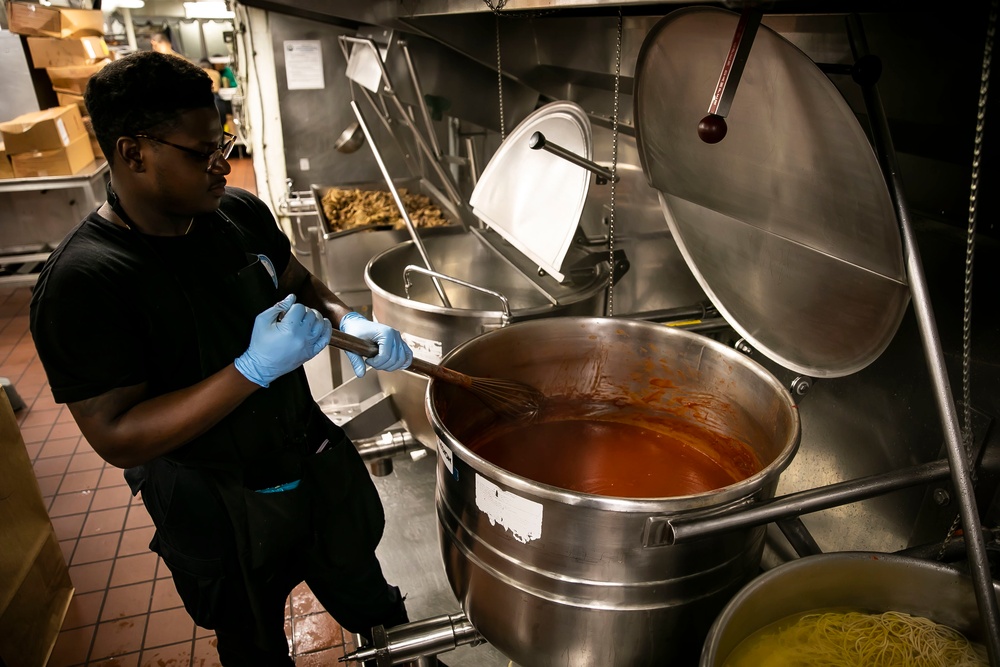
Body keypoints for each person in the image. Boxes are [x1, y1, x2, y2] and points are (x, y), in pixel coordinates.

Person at [29, 51, 415, 664]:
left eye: (224, 142)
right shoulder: (85, 282)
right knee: (252, 638)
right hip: (216, 502)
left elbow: (298, 281)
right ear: (133, 152)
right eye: (201, 152)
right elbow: (118, 436)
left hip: (305, 458)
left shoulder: (235, 212)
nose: (222, 165)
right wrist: (250, 371)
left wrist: (352, 320)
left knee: (368, 592)